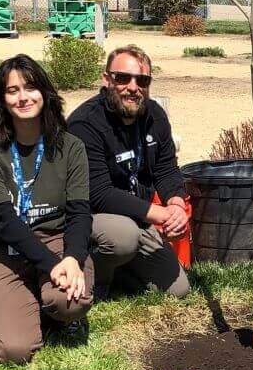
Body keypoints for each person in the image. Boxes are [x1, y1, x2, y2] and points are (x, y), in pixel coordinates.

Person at [0, 55, 93, 365]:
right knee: (13, 352)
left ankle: (56, 313)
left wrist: (72, 258)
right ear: (1, 99)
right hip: (8, 250)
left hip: (55, 238)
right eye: (12, 90)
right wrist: (51, 266)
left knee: (70, 302)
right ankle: (29, 300)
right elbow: (2, 218)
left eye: (30, 87)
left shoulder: (70, 146)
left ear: (45, 92)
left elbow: (80, 211)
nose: (23, 97)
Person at [67, 45, 190, 300]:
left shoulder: (155, 116)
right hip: (91, 219)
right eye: (123, 78)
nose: (133, 87)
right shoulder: (85, 123)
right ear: (106, 80)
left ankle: (119, 270)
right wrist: (160, 214)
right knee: (123, 236)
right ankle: (94, 277)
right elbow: (98, 193)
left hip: (138, 218)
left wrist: (176, 205)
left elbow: (167, 169)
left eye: (142, 80)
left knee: (178, 289)